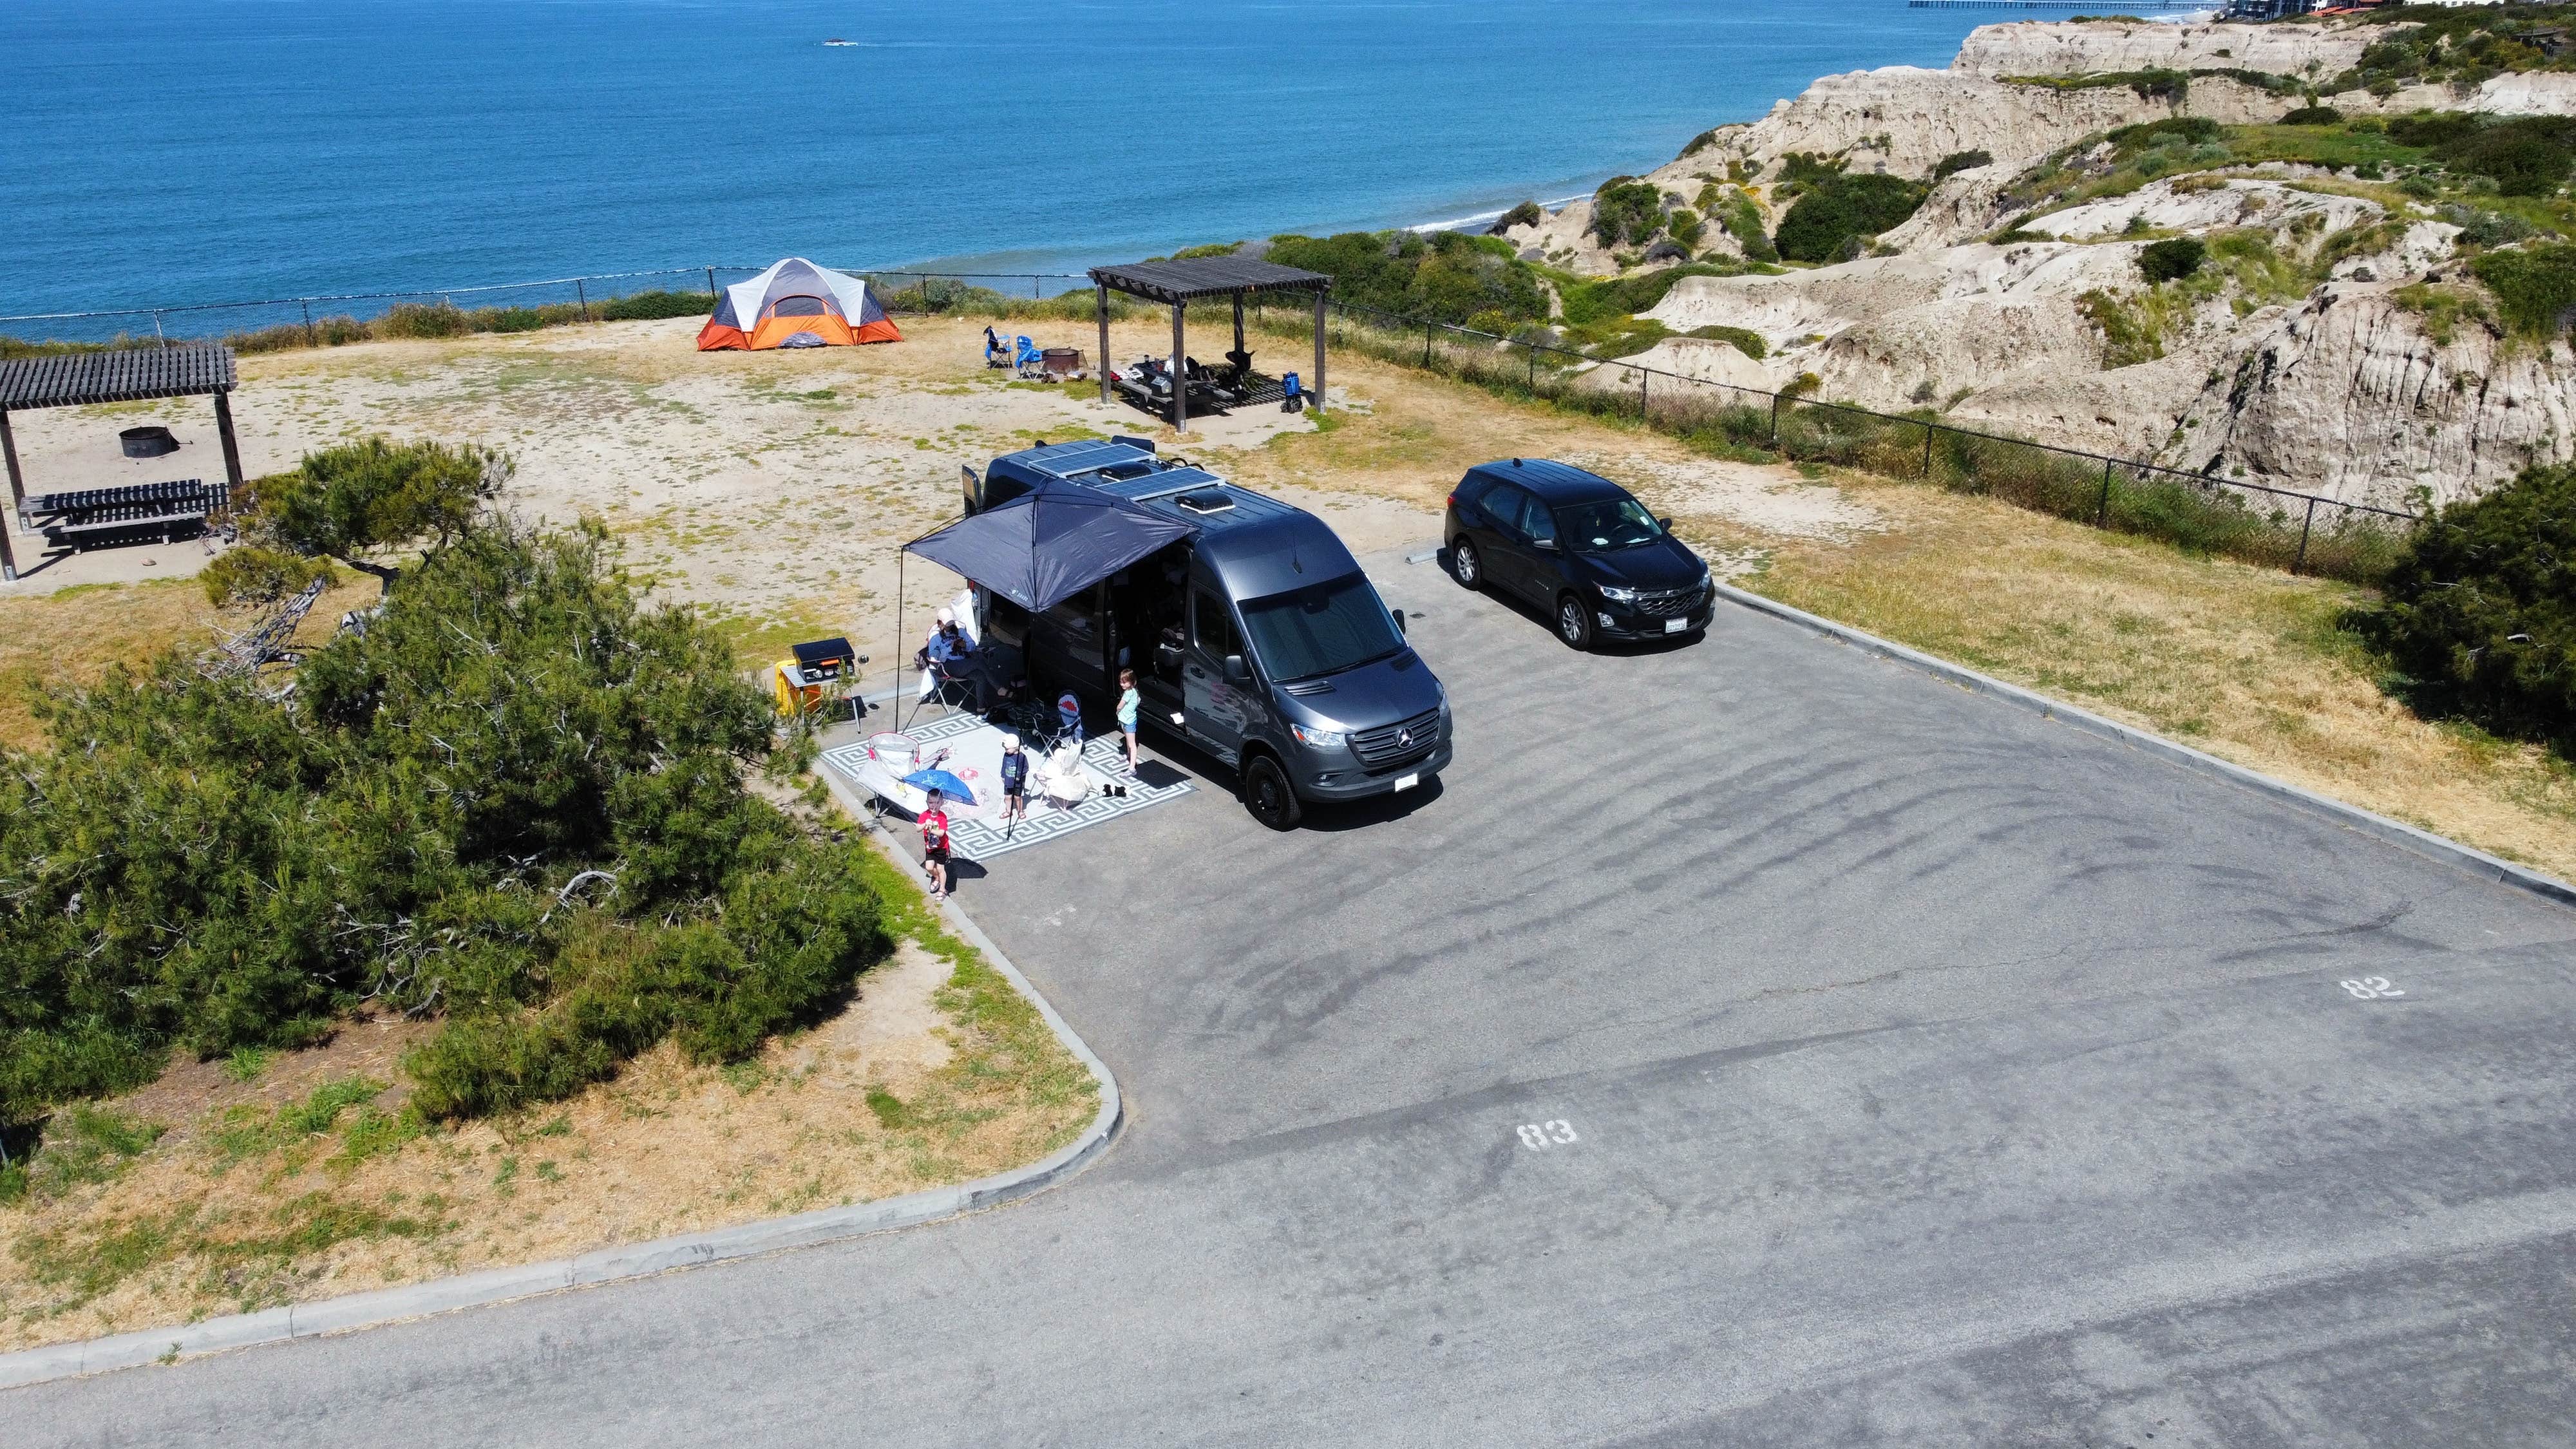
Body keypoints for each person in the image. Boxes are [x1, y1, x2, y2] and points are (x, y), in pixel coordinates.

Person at [919, 789, 952, 902]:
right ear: (927, 803)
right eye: (931, 803)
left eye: (937, 803)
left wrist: (931, 829)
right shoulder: (925, 815)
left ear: (942, 803)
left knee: (940, 868)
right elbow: (918, 828)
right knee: (929, 867)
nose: (934, 805)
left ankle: (942, 890)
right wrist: (925, 824)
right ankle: (937, 878)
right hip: (930, 847)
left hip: (941, 847)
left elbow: (941, 833)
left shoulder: (942, 817)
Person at [998, 733, 1030, 834]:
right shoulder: (1006, 755)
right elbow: (1004, 765)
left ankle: (1020, 811)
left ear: (1016, 747)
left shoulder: (1022, 757)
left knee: (1018, 797)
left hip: (1018, 782)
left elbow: (1026, 768)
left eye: (1007, 749)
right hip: (1008, 780)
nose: (1006, 751)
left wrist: (1019, 776)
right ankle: (1009, 811)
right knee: (1007, 797)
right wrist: (1003, 775)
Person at [1115, 667, 1141, 775]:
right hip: (1126, 719)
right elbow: (1138, 701)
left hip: (1128, 721)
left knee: (1132, 744)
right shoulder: (1135, 692)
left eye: (1125, 682)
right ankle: (1129, 755)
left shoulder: (1127, 693)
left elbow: (1120, 705)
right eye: (1121, 682)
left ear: (1132, 681)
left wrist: (1117, 710)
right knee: (1128, 740)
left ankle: (1132, 768)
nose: (1122, 684)